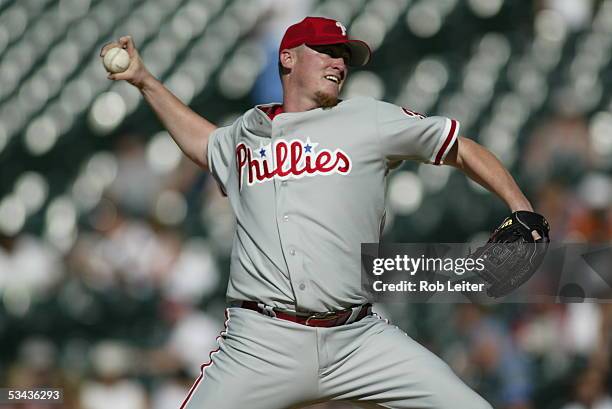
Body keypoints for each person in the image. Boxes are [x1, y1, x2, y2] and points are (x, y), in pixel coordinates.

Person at [100, 16, 538, 409]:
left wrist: (520, 207)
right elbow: (203, 143)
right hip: (261, 342)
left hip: (357, 337)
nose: (339, 63)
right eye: (327, 51)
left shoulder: (368, 119)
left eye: (344, 56)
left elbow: (459, 147)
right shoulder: (247, 134)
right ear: (287, 57)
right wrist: (144, 80)